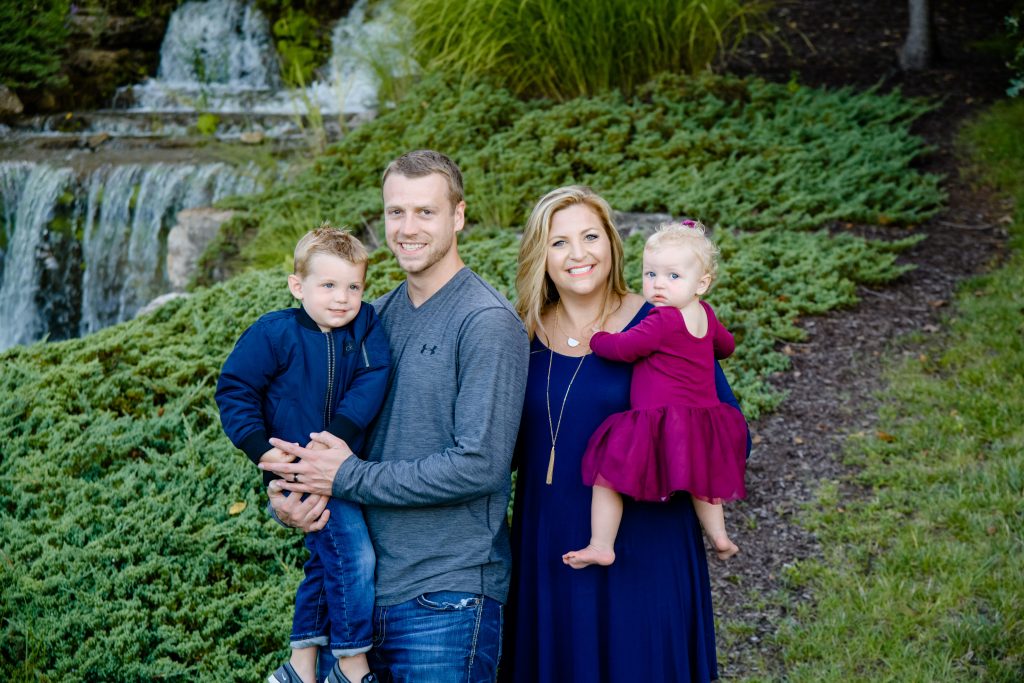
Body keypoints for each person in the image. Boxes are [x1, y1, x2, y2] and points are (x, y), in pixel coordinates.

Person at [259, 150, 530, 683]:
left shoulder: (486, 323)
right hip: (355, 602)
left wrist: (347, 476)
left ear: (458, 216)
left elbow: (480, 465)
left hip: (445, 602)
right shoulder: (369, 317)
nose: (407, 229)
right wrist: (288, 490)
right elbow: (315, 430)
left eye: (425, 212)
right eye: (395, 212)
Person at [502, 186, 748, 682]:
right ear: (539, 256)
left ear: (612, 244)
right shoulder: (517, 334)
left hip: (647, 541)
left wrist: (665, 456)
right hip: (548, 542)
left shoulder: (663, 321)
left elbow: (726, 427)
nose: (578, 254)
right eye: (558, 242)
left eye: (590, 236)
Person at [215, 226, 390, 683]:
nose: (342, 298)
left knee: (326, 560)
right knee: (354, 556)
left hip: (339, 464)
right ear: (299, 286)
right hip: (293, 467)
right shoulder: (274, 333)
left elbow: (373, 378)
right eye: (328, 285)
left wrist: (337, 438)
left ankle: (300, 665)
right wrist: (259, 449)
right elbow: (236, 390)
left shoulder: (367, 324)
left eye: (353, 286)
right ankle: (352, 664)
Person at [562, 220, 748, 570]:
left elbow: (627, 348)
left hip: (660, 418)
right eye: (650, 274)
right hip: (703, 419)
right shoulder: (705, 315)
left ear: (702, 283)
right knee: (702, 483)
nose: (658, 284)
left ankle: (601, 544)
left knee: (608, 475)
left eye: (673, 277)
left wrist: (597, 338)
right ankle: (720, 538)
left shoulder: (662, 319)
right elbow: (727, 345)